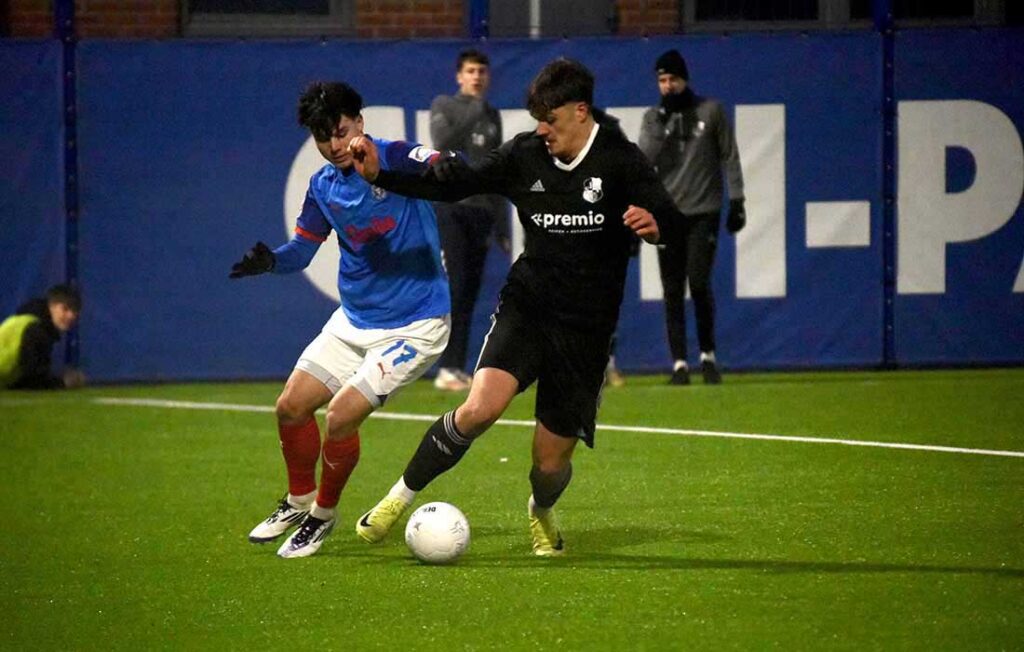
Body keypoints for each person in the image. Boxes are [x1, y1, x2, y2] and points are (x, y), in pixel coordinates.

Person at [348, 58, 682, 556]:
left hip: (585, 330)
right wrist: (383, 174)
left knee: (548, 467)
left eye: (550, 119)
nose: (541, 130)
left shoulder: (620, 160)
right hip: (528, 306)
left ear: (581, 110)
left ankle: (541, 510)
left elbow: (675, 221)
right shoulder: (525, 154)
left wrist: (658, 228)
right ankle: (398, 498)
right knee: (479, 409)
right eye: (536, 119)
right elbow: (453, 182)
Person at [230, 81, 451, 559]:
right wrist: (272, 261)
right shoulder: (323, 187)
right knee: (290, 407)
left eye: (341, 130)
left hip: (416, 323)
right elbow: (303, 253)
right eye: (322, 137)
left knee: (342, 415)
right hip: (354, 322)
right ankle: (297, 500)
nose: (334, 145)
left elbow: (437, 166)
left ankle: (322, 517)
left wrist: (443, 165)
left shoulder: (391, 157)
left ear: (360, 124)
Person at [638, 49, 746, 386]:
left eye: (673, 79)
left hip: (704, 211)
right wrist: (663, 124)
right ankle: (680, 364)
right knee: (672, 289)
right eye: (662, 80)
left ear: (685, 79)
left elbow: (729, 154)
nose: (668, 85)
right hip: (667, 214)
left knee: (698, 283)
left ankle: (708, 356)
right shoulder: (653, 118)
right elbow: (644, 161)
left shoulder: (710, 111)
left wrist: (738, 200)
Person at [429, 48, 508, 391]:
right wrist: (473, 110)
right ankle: (445, 368)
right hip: (452, 208)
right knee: (456, 287)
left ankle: (457, 367)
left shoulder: (493, 115)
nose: (477, 77)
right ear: (459, 76)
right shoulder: (444, 106)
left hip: (481, 211)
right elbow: (443, 142)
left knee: (470, 293)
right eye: (471, 71)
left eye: (482, 71)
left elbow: (498, 170)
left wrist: (502, 224)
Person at [0, 284, 84, 390]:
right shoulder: (35, 330)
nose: (71, 315)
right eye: (65, 309)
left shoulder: (27, 322)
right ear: (51, 306)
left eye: (75, 311)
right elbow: (33, 378)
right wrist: (63, 382)